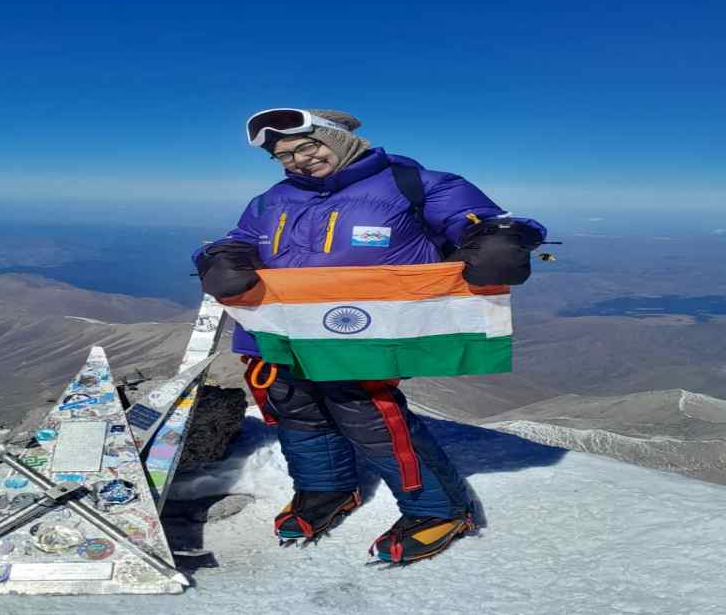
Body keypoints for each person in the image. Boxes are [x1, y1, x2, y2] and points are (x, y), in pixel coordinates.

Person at [193, 108, 544, 564]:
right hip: (283, 330)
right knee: (296, 410)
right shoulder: (271, 199)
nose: (299, 160)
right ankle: (326, 490)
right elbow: (240, 238)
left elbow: (478, 219)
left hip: (364, 330)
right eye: (284, 156)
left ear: (338, 139)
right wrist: (220, 258)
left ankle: (438, 509)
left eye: (308, 146)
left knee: (367, 414)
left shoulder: (413, 183)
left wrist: (499, 241)